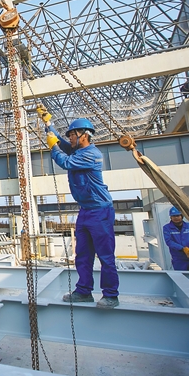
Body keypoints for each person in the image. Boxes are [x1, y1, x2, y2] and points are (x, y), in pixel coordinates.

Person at [46, 116, 120, 309]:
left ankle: (111, 295)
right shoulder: (79, 151)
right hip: (86, 210)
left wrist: (53, 148)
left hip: (100, 211)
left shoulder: (91, 154)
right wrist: (48, 125)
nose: (70, 138)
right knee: (82, 255)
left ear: (84, 135)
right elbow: (62, 144)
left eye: (72, 134)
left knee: (105, 256)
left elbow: (65, 161)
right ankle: (84, 291)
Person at [162, 207, 189, 271]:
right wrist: (182, 249)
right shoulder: (167, 228)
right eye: (173, 216)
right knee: (180, 276)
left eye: (178, 216)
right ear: (170, 217)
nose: (176, 218)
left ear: (182, 216)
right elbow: (169, 241)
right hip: (179, 259)